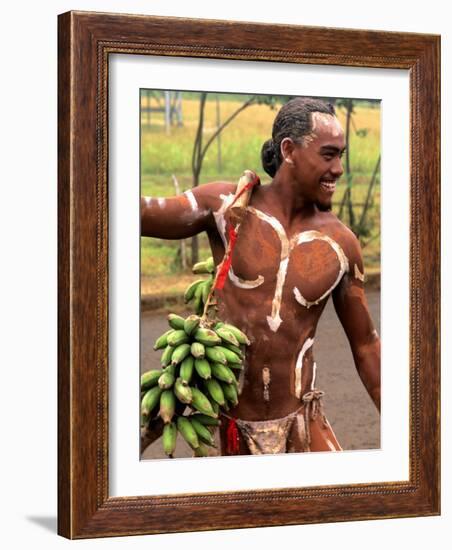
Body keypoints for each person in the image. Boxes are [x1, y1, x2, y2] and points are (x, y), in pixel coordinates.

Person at [141, 97, 380, 455]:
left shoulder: (341, 245)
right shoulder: (226, 208)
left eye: (341, 156)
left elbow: (366, 345)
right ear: (289, 150)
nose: (339, 169)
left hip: (303, 424)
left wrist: (414, 431)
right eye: (328, 155)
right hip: (233, 428)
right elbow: (139, 213)